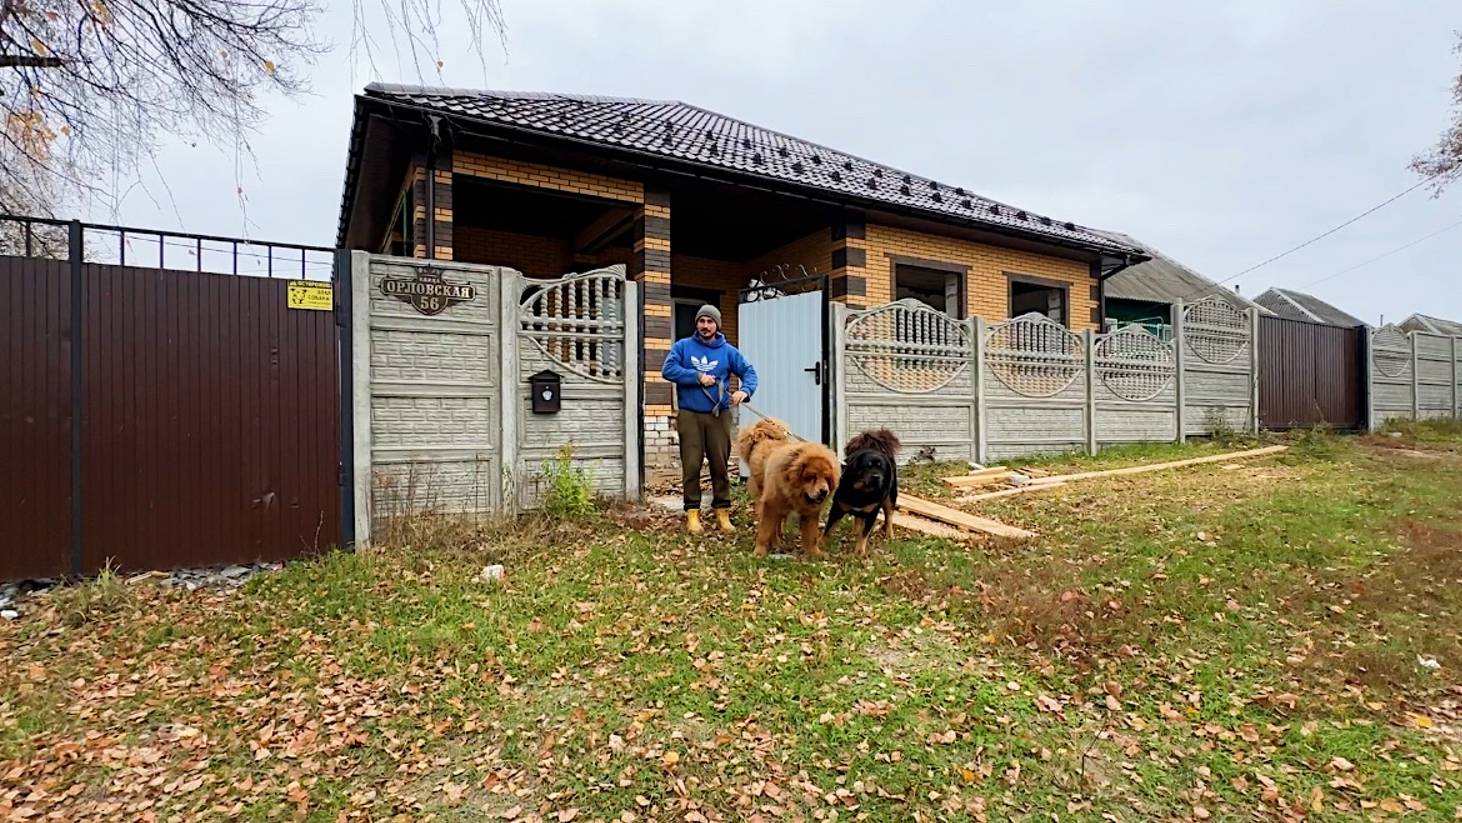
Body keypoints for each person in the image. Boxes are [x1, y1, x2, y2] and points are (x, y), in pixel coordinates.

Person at [660, 304, 758, 534]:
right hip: (689, 414)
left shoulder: (728, 351)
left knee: (720, 464)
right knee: (692, 465)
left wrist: (745, 390)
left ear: (717, 325)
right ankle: (692, 513)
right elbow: (668, 370)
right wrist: (696, 377)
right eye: (702, 321)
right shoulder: (683, 347)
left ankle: (722, 511)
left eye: (710, 322)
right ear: (697, 323)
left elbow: (749, 372)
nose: (705, 326)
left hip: (719, 415)